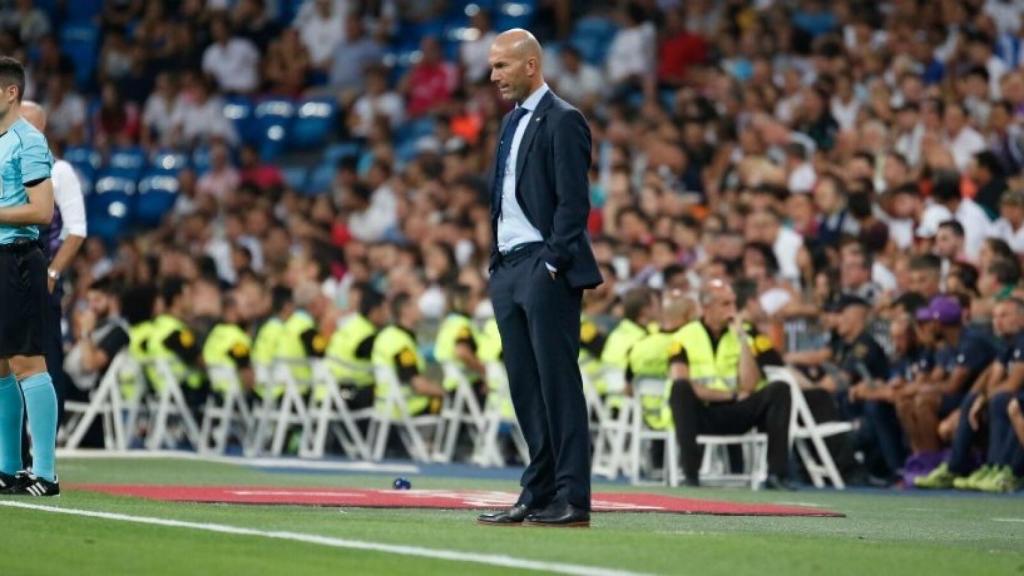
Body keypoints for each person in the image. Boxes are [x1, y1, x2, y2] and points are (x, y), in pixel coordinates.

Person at [478, 29, 602, 528]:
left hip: (542, 268)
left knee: (558, 385)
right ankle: (538, 492)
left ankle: (573, 498)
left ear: (531, 65)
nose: (494, 77)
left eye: (502, 67)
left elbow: (574, 204)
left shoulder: (564, 120)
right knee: (526, 388)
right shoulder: (511, 123)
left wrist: (552, 262)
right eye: (492, 67)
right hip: (509, 268)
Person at [666, 279, 793, 489]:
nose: (733, 310)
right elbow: (684, 382)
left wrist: (743, 339)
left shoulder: (743, 334)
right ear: (707, 307)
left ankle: (776, 475)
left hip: (736, 412)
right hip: (702, 413)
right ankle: (690, 474)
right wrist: (731, 395)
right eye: (726, 304)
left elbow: (749, 385)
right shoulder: (683, 337)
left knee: (780, 389)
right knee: (680, 390)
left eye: (733, 303)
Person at [0, 56, 60, 496]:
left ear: (10, 92)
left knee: (26, 361)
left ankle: (46, 472)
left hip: (18, 258)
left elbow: (42, 212)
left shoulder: (29, 141)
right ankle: (8, 467)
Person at [20, 100, 86, 429]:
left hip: (41, 274)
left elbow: (77, 230)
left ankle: (48, 438)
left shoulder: (58, 171)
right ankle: (14, 448)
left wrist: (52, 272)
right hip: (10, 274)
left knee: (46, 357)